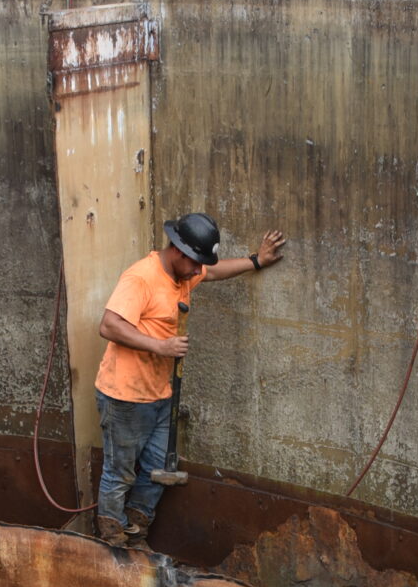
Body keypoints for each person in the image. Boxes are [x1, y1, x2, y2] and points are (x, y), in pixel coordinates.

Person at [93, 211, 286, 548]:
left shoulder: (183, 274)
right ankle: (113, 539)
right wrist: (160, 345)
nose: (199, 270)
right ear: (178, 252)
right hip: (124, 396)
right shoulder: (142, 278)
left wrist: (256, 261)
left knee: (157, 465)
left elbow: (215, 271)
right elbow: (108, 325)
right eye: (195, 261)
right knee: (120, 471)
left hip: (159, 394)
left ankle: (136, 530)